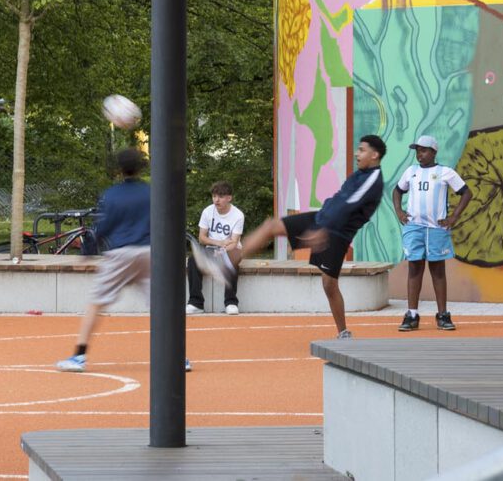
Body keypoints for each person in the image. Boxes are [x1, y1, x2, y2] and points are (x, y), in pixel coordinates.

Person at [194, 134, 387, 339]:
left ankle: (343, 332)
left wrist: (323, 229)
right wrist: (321, 221)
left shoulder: (373, 180)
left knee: (329, 285)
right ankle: (226, 265)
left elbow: (346, 206)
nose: (357, 153)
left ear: (374, 155)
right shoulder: (360, 174)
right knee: (270, 226)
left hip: (335, 232)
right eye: (358, 149)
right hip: (322, 218)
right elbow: (339, 199)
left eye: (362, 150)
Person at [58, 148, 189, 373]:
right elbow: (164, 221)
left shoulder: (112, 194)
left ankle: (78, 356)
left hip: (121, 254)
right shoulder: (151, 192)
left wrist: (88, 249)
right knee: (162, 307)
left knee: (96, 303)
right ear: (141, 168)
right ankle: (179, 358)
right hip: (150, 253)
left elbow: (104, 226)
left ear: (119, 169)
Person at [392, 135, 473, 332]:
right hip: (414, 227)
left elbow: (466, 193)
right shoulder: (411, 172)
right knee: (414, 269)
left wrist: (453, 217)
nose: (420, 154)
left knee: (437, 270)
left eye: (424, 150)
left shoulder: (445, 172)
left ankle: (443, 315)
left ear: (434, 152)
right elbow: (397, 191)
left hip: (436, 228)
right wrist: (399, 212)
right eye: (418, 150)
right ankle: (412, 315)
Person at [186, 181, 245, 314]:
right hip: (212, 248)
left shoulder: (238, 215)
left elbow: (234, 242)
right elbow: (202, 238)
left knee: (232, 261)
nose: (216, 200)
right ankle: (196, 303)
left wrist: (223, 250)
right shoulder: (207, 211)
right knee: (193, 260)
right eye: (214, 196)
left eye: (220, 196)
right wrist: (219, 244)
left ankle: (231, 302)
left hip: (231, 250)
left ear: (229, 198)